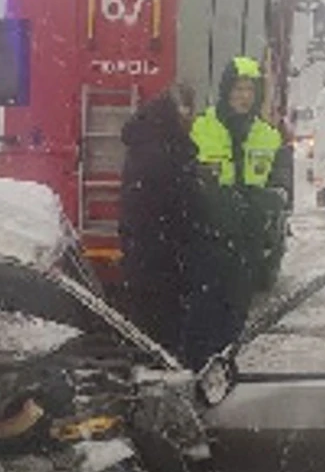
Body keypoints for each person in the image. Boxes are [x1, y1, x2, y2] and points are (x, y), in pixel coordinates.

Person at [184, 56, 290, 367]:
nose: (244, 96)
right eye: (239, 88)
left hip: (247, 246)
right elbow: (183, 178)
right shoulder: (201, 127)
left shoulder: (269, 136)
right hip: (206, 242)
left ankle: (222, 376)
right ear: (226, 89)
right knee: (200, 318)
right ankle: (194, 376)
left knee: (234, 323)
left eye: (250, 89)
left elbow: (282, 188)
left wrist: (264, 203)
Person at [118, 84, 213, 352]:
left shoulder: (148, 144)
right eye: (189, 112)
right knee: (161, 338)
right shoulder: (164, 153)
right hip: (162, 264)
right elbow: (180, 206)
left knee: (147, 331)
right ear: (176, 113)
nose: (193, 119)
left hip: (147, 259)